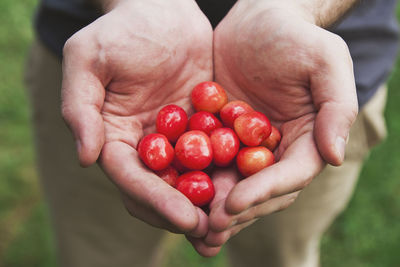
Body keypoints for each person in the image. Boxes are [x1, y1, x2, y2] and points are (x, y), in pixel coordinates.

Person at [26, 0, 398, 266]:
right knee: (100, 252)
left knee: (279, 256)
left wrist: (294, 7)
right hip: (116, 69)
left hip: (302, 86)